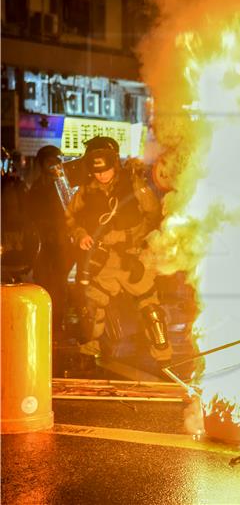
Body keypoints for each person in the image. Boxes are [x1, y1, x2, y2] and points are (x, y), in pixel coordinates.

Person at [65, 136, 171, 363]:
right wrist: (80, 234)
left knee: (151, 310)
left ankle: (164, 360)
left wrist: (126, 237)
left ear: (114, 164)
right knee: (91, 309)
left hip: (134, 256)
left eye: (105, 170)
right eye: (96, 171)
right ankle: (88, 357)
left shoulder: (134, 185)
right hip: (103, 261)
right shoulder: (85, 190)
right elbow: (70, 218)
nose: (100, 175)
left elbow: (153, 218)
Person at [28, 145, 75, 341]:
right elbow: (30, 215)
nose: (53, 166)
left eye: (55, 161)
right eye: (48, 162)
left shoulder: (64, 185)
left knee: (59, 285)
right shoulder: (36, 187)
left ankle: (57, 323)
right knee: (45, 285)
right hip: (43, 246)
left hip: (62, 244)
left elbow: (71, 210)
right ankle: (47, 324)